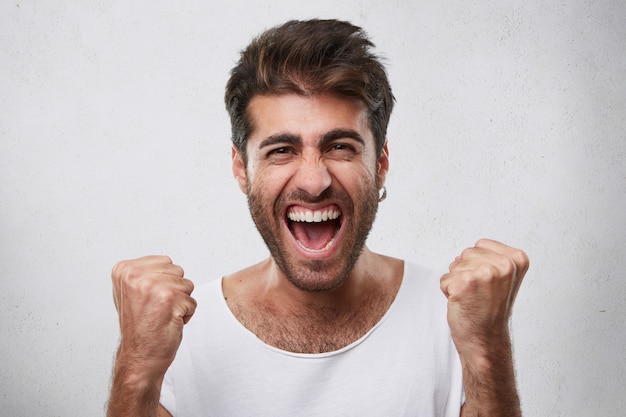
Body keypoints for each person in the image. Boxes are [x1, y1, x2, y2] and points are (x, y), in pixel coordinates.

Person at [106, 19, 529, 417]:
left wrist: (486, 346)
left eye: (341, 147)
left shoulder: (454, 320)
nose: (313, 181)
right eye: (281, 150)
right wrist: (138, 364)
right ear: (241, 169)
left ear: (380, 163)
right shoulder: (180, 334)